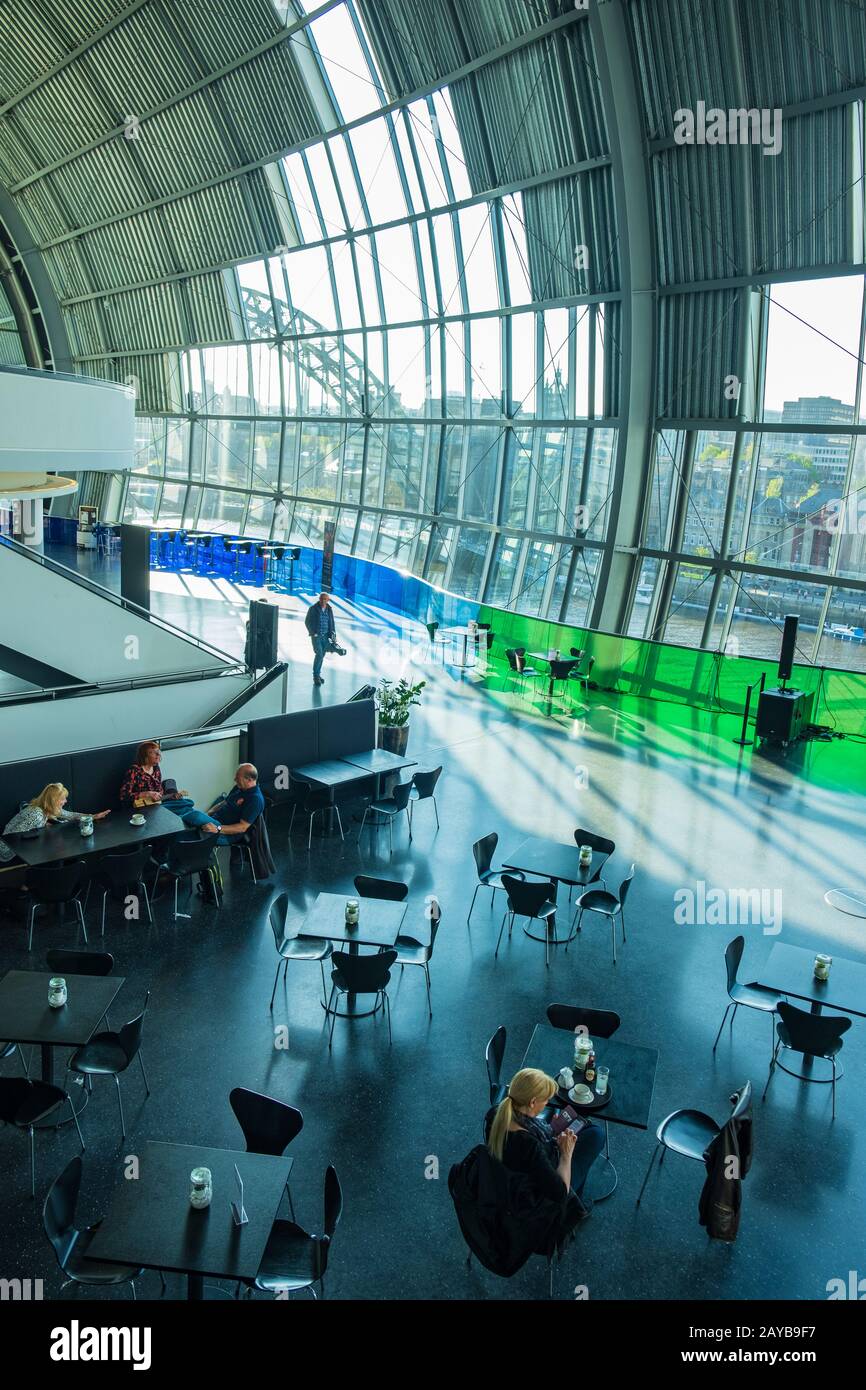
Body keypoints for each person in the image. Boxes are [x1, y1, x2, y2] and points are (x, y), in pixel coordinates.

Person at [486, 1067, 604, 1218]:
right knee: (596, 1135)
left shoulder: (495, 1114)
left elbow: (529, 1150)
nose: (547, 1103)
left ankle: (578, 1205)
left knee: (591, 1132)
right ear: (533, 1102)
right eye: (546, 1099)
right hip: (536, 1201)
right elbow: (560, 1193)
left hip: (509, 1184)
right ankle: (571, 1210)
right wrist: (566, 1153)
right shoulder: (529, 1145)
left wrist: (551, 1131)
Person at [0, 783, 110, 864]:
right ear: (53, 800)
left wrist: (93, 816)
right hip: (7, 850)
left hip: (17, 844)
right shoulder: (36, 814)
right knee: (55, 854)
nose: (66, 801)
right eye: (63, 798)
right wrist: (42, 827)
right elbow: (13, 837)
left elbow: (70, 815)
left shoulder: (45, 807)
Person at [180, 764, 265, 844]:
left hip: (225, 834)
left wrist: (218, 828)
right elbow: (223, 803)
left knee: (195, 816)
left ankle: (176, 823)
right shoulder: (238, 788)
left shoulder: (255, 799)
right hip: (214, 821)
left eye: (238, 778)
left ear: (249, 780)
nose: (235, 780)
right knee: (185, 806)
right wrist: (207, 814)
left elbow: (242, 827)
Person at [119, 741, 194, 815]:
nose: (158, 755)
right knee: (184, 806)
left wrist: (171, 796)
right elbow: (124, 795)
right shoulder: (134, 771)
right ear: (144, 756)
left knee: (186, 802)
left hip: (157, 804)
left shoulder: (156, 768)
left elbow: (159, 792)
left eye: (158, 752)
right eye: (153, 752)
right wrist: (147, 794)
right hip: (142, 807)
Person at [305, 592, 337, 686]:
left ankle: (318, 674)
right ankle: (315, 676)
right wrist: (313, 633)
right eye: (321, 599)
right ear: (319, 599)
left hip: (326, 636)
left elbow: (332, 623)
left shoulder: (329, 609)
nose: (323, 601)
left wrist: (333, 638)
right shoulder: (313, 609)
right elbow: (307, 621)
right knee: (319, 654)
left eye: (325, 599)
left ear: (328, 600)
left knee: (322, 655)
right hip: (316, 636)